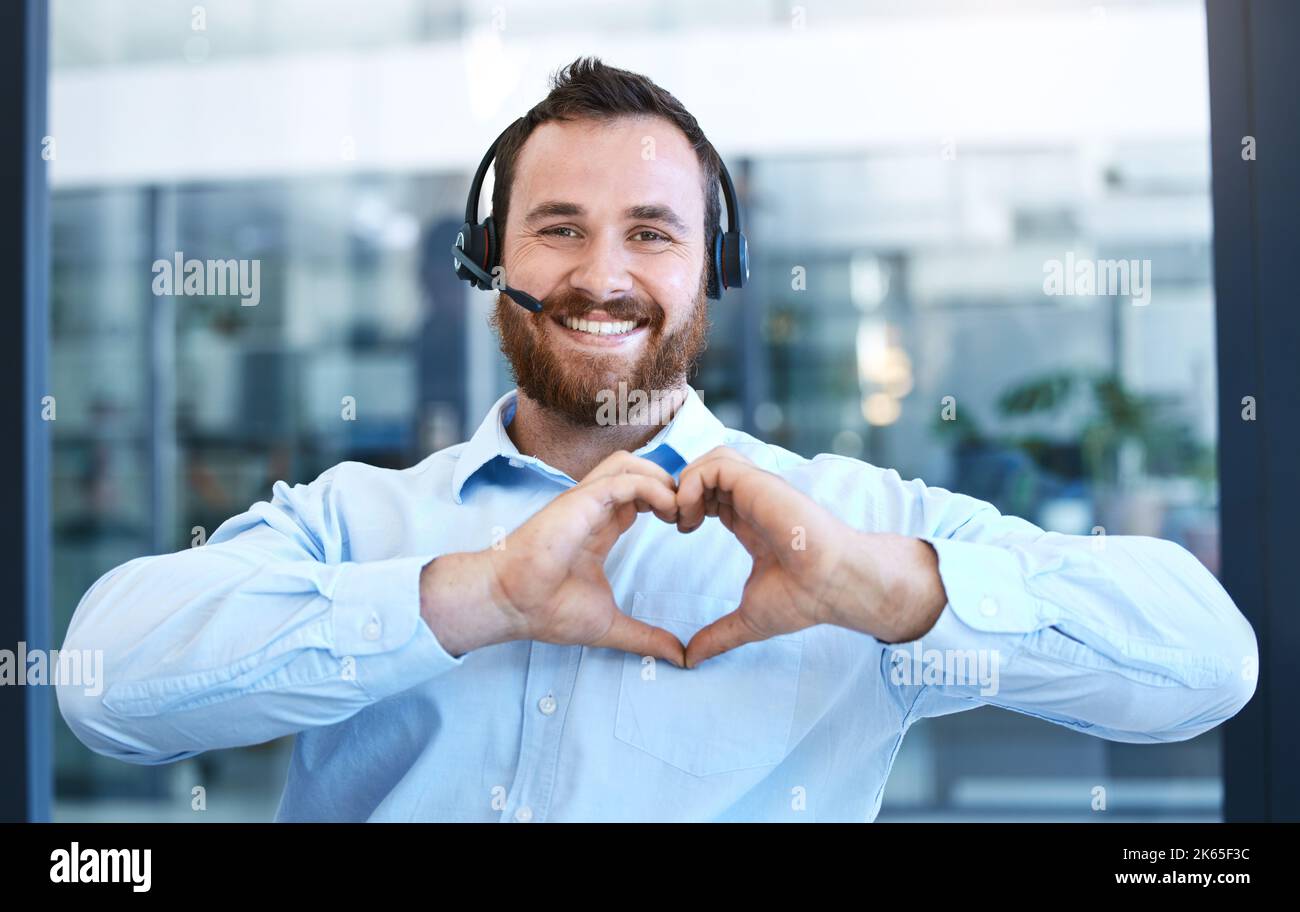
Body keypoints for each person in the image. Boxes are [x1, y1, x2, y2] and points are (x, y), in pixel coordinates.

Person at [58, 57, 1258, 822]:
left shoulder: (840, 525)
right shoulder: (353, 522)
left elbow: (1209, 665)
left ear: (712, 271)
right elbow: (102, 683)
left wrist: (880, 587)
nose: (603, 275)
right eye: (558, 229)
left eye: (651, 232)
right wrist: (475, 598)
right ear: (492, 264)